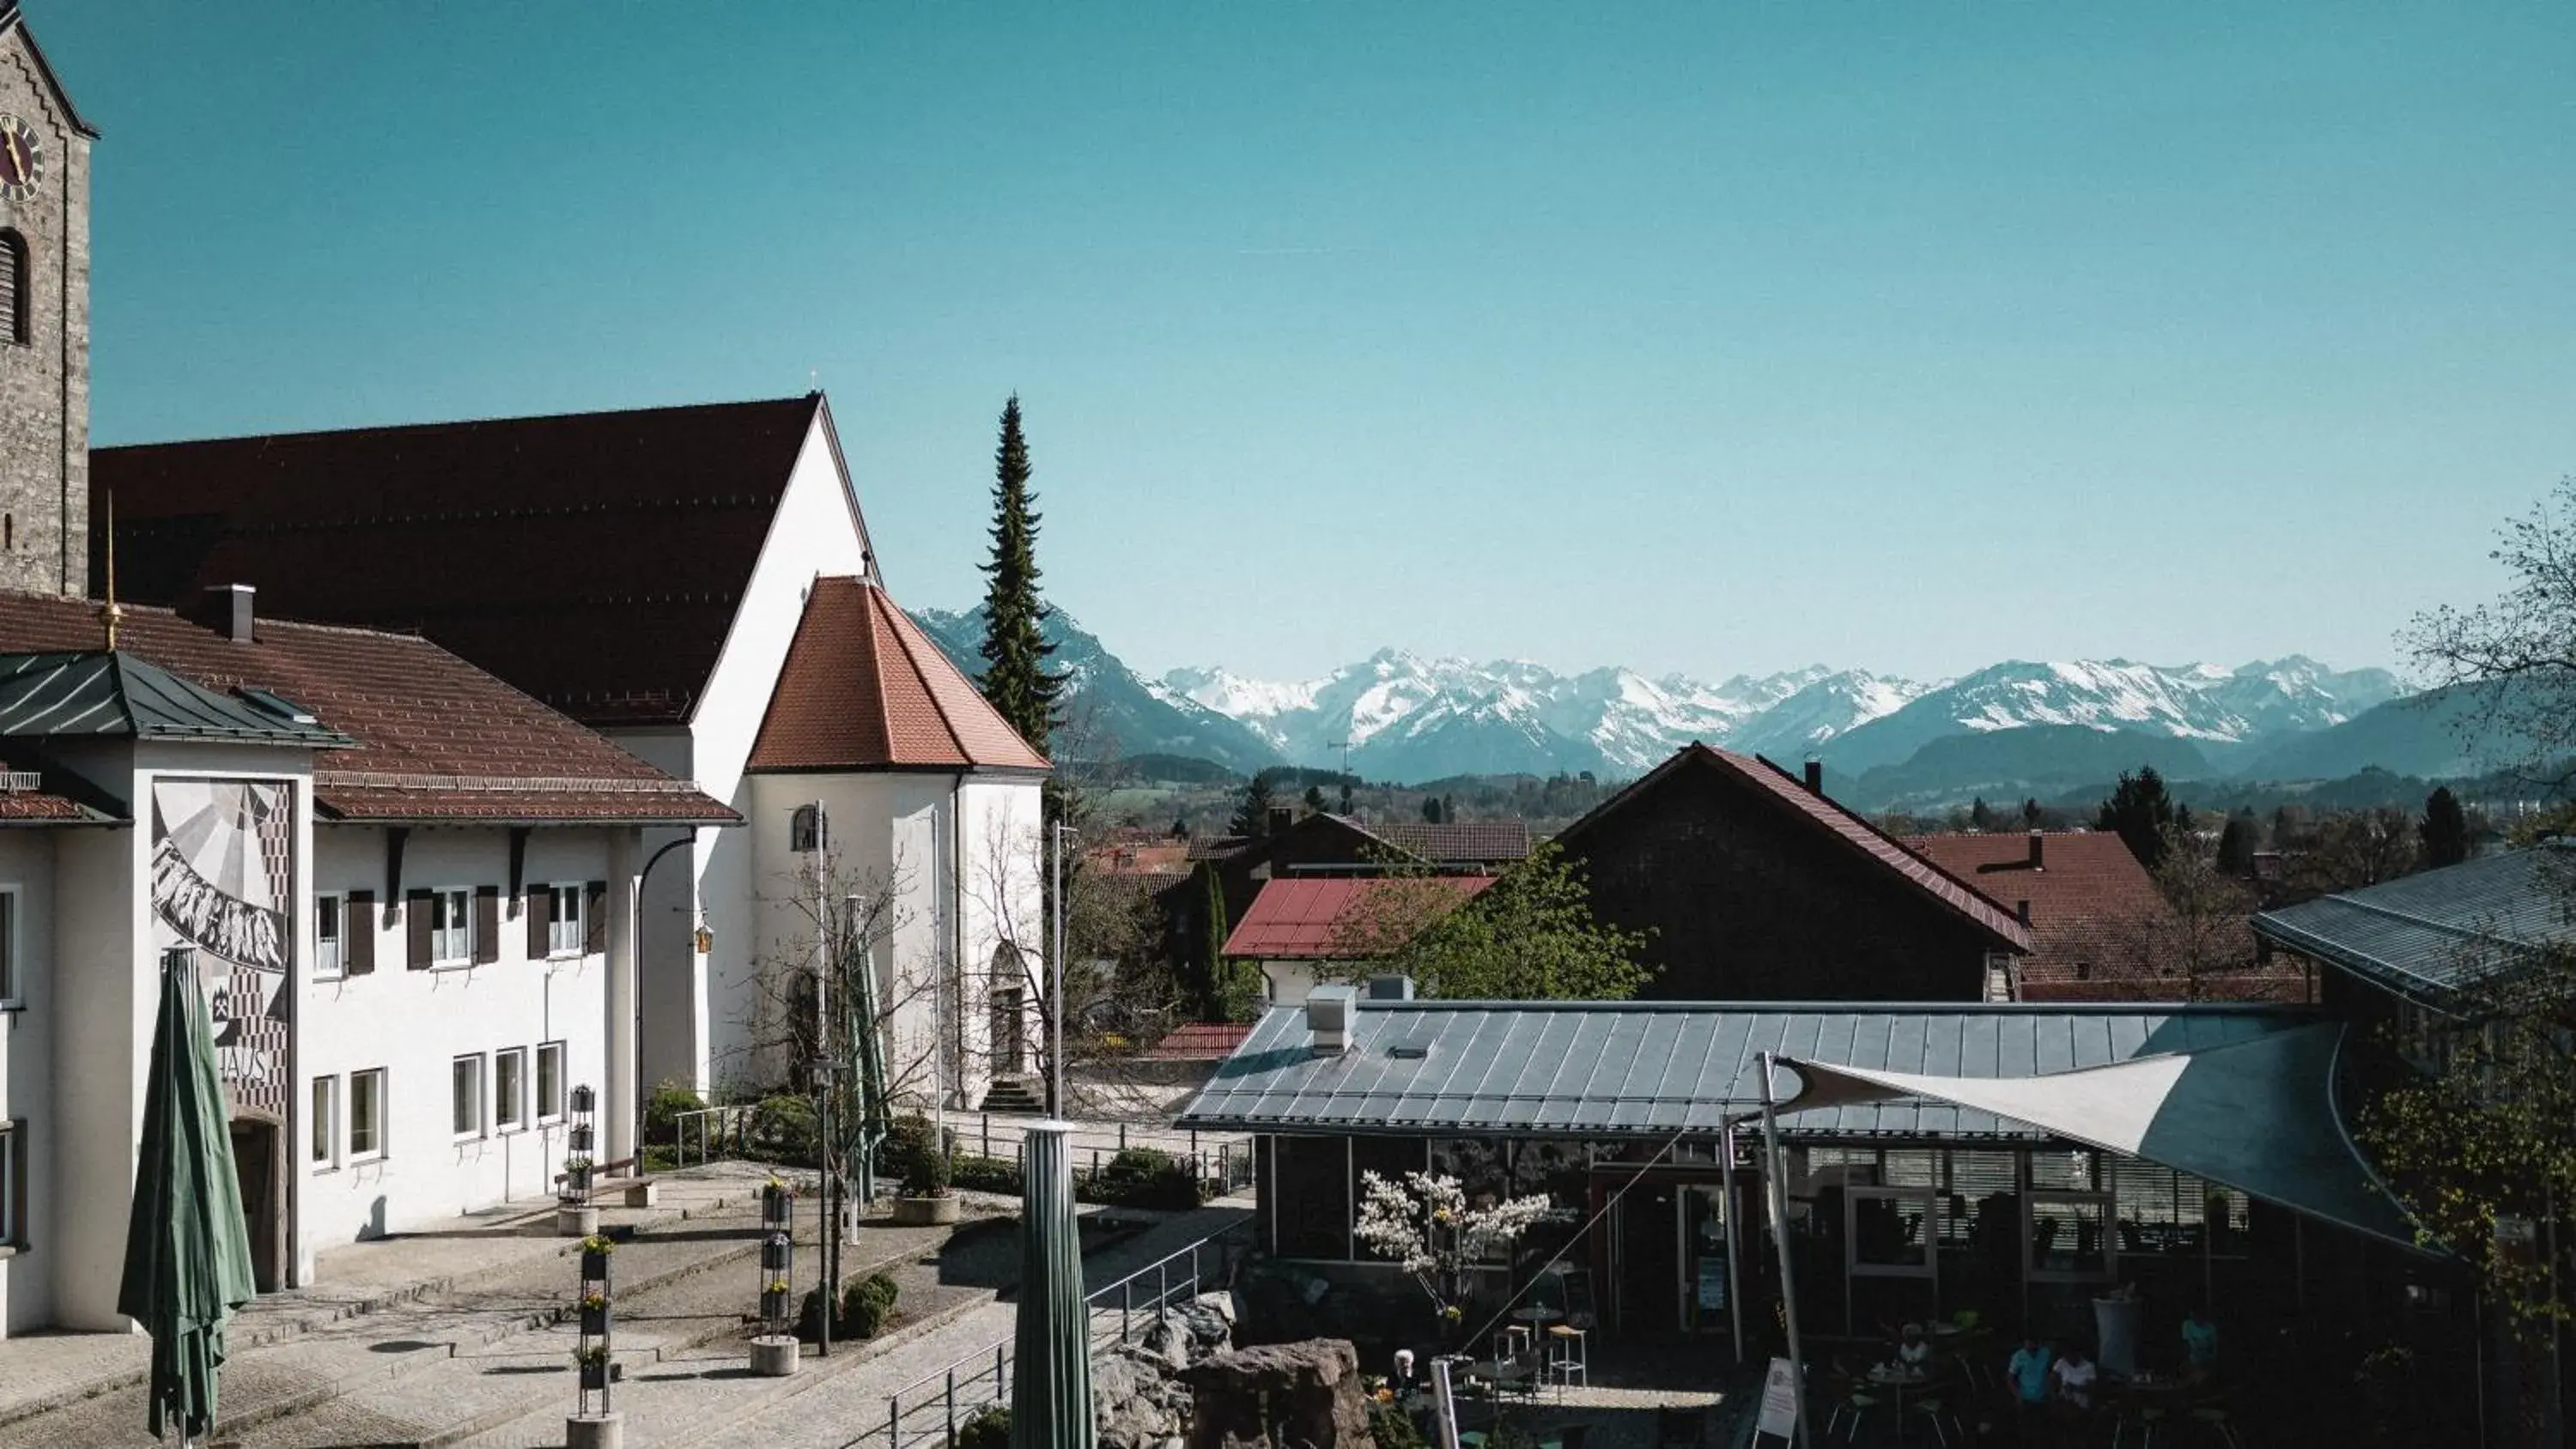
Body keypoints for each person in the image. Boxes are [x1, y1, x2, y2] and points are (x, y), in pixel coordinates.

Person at [2007, 1333, 2052, 1443]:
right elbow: (2010, 1379)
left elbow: (2051, 1374)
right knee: (2027, 1435)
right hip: (2026, 1399)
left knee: (2043, 1434)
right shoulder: (2018, 1356)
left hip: (2043, 1398)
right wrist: (2017, 1396)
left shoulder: (2046, 1353)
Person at [2181, 1307, 2219, 1379]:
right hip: (2191, 1361)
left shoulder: (2211, 1328)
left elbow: (2212, 1348)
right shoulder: (2187, 1325)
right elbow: (2186, 1344)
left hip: (2206, 1361)